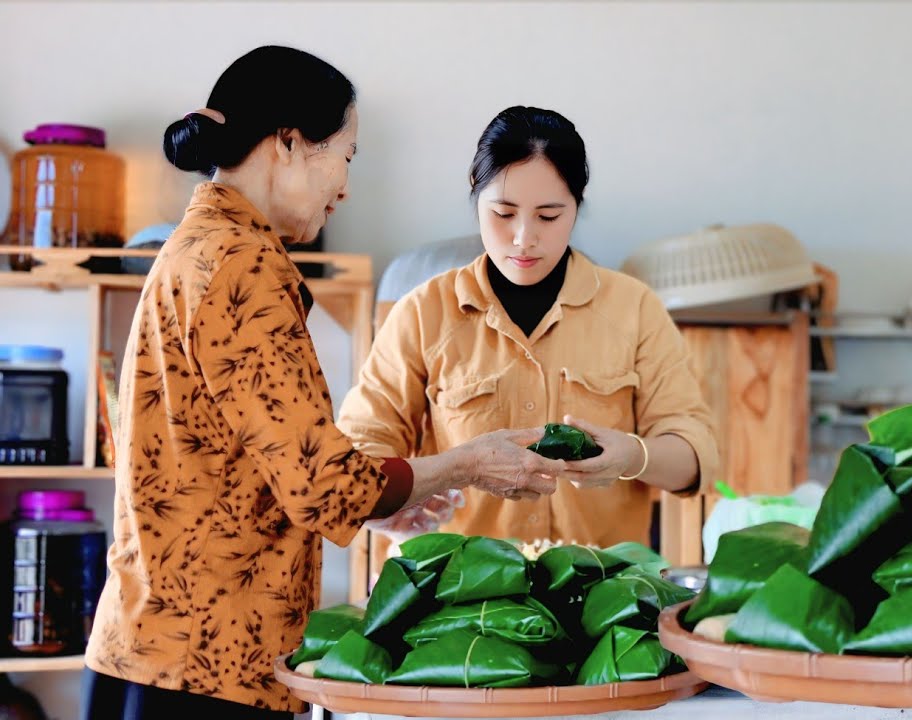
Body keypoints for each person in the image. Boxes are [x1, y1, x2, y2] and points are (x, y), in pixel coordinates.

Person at [82, 47, 563, 720]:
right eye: (347, 154)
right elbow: (323, 485)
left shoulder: (200, 243)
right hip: (208, 665)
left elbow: (251, 464)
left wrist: (386, 499)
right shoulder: (242, 263)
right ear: (287, 143)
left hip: (158, 644)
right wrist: (470, 463)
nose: (344, 184)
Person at [338, 106, 719, 547]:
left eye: (549, 216)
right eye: (503, 213)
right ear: (476, 200)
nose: (523, 237)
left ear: (577, 208)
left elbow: (697, 457)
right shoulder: (422, 313)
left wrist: (633, 455)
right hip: (463, 593)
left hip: (599, 589)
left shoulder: (634, 309)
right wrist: (454, 470)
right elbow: (355, 462)